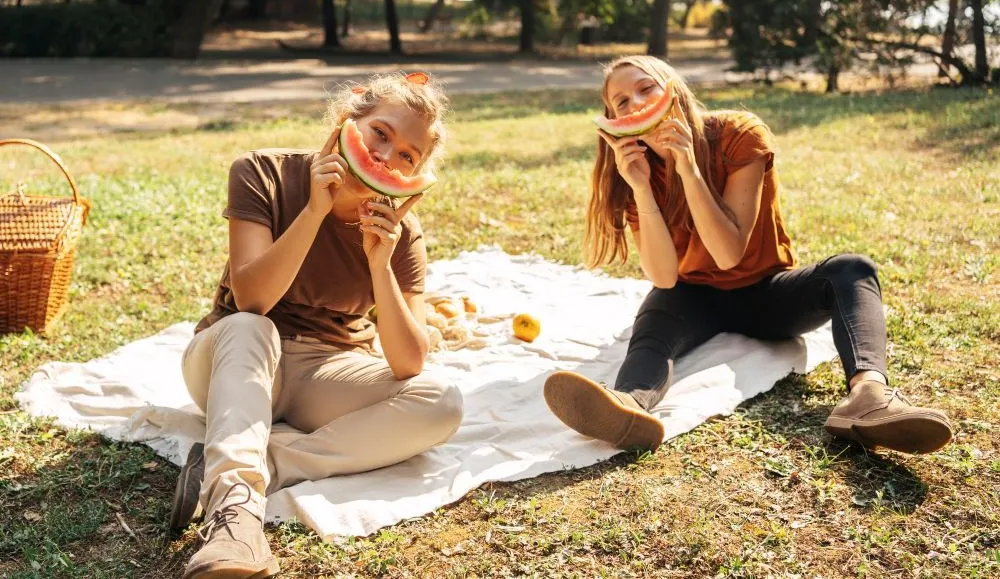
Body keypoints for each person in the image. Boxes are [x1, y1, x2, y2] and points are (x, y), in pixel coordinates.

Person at [543, 55, 953, 458]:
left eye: (645, 88)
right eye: (621, 103)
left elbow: (728, 253)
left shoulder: (738, 134)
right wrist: (642, 189)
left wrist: (689, 169)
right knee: (655, 320)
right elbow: (664, 277)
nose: (636, 105)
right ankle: (629, 407)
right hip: (690, 294)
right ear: (613, 122)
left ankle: (869, 396)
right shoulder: (632, 170)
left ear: (672, 89)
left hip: (765, 295)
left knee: (852, 270)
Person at [172, 72, 464, 579]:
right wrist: (314, 210)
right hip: (233, 358)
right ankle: (235, 519)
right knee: (251, 327)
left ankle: (257, 464)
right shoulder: (261, 171)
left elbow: (408, 362)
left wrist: (380, 263)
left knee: (442, 402)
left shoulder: (400, 233)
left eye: (407, 156)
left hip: (324, 371)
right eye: (380, 133)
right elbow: (253, 299)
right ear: (348, 120)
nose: (386, 157)